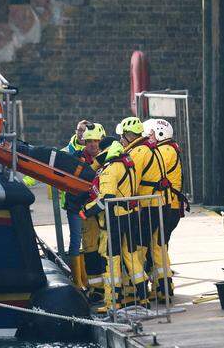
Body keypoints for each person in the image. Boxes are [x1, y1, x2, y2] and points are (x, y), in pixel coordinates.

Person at [83, 140, 149, 311]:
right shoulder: (129, 164)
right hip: (130, 217)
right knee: (132, 257)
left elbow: (106, 199)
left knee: (111, 261)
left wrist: (85, 210)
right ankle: (144, 298)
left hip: (114, 220)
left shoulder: (110, 169)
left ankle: (113, 302)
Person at [116, 116, 172, 302]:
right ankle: (165, 288)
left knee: (137, 247)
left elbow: (132, 178)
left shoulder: (138, 152)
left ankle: (137, 291)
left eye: (122, 138)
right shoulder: (152, 148)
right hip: (162, 203)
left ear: (127, 136)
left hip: (148, 206)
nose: (121, 142)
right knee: (158, 247)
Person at [143, 118, 189, 297]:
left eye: (150, 135)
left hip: (167, 206)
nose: (147, 138)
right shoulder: (168, 149)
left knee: (157, 247)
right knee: (159, 247)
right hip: (168, 206)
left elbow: (148, 169)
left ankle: (163, 288)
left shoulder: (164, 151)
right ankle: (160, 287)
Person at [63, 123, 105, 293]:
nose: (92, 144)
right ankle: (81, 283)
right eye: (89, 141)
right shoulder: (76, 157)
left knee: (102, 246)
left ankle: (102, 285)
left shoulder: (108, 157)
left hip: (99, 209)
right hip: (79, 208)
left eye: (95, 140)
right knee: (81, 245)